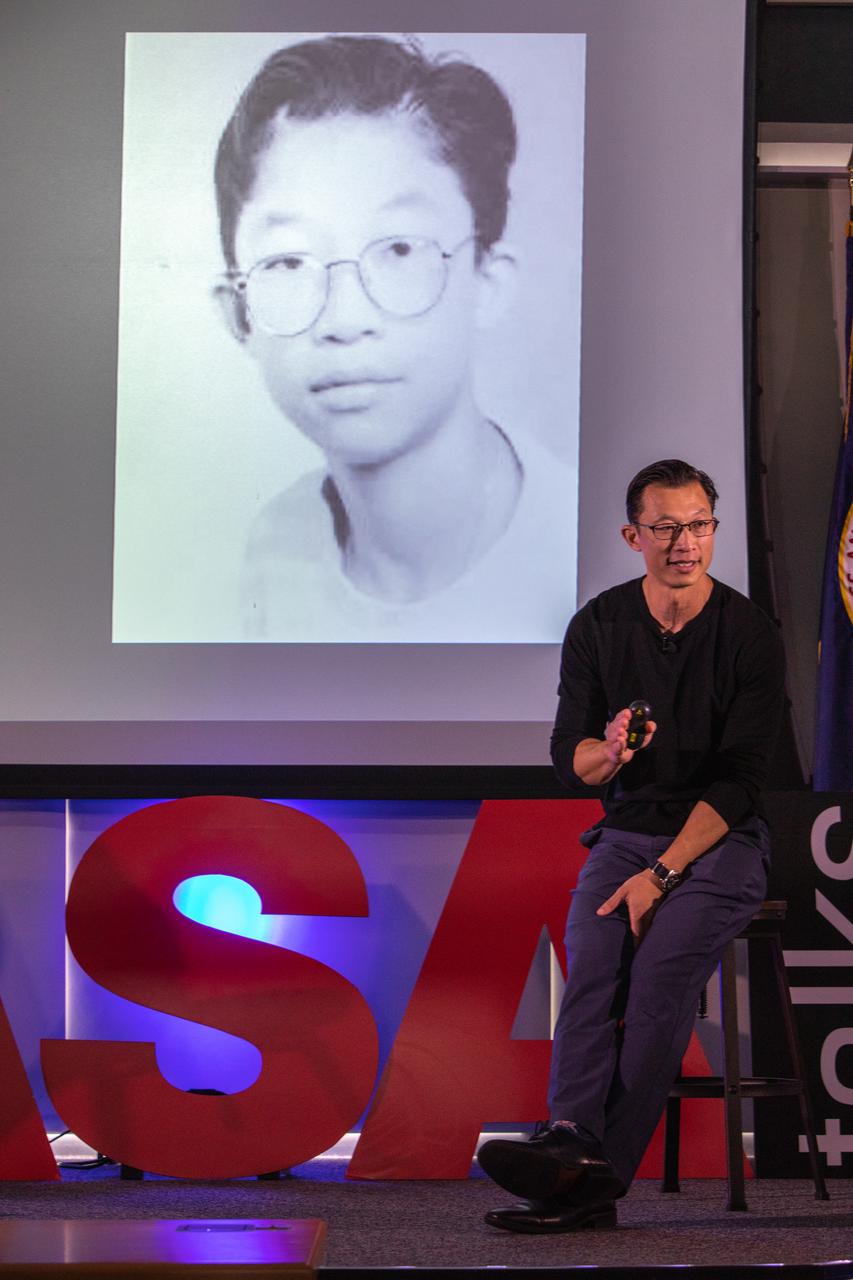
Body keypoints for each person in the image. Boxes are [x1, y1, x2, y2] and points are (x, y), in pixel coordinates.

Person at [477, 458, 786, 1232]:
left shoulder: (748, 632)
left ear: (713, 529)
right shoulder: (599, 624)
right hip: (626, 833)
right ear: (632, 535)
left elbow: (742, 782)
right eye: (666, 528)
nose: (685, 543)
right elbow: (568, 760)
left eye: (699, 526)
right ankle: (573, 1141)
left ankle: (582, 1183)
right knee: (591, 973)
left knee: (655, 990)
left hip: (719, 841)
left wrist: (663, 871)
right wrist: (609, 752)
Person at [211, 34, 577, 643]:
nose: (345, 319)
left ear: (487, 279)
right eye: (288, 262)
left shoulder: (587, 551)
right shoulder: (273, 552)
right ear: (239, 316)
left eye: (399, 248)